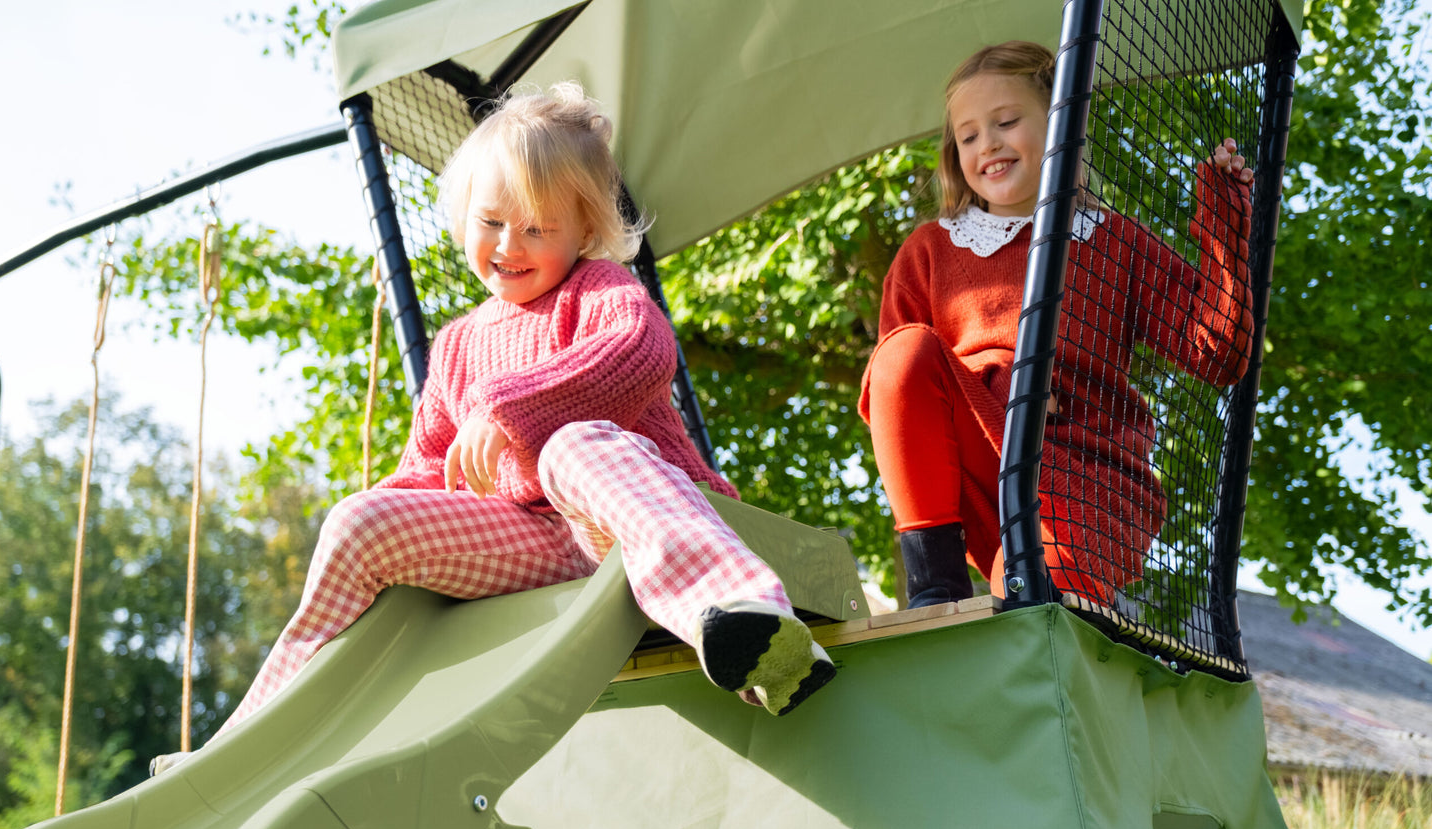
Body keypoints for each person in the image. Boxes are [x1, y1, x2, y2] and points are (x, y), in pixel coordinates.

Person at [153, 83, 835, 774]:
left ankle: (746, 618)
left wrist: (510, 409)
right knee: (357, 524)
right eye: (491, 222)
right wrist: (394, 509)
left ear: (585, 231)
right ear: (462, 218)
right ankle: (242, 756)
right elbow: (427, 467)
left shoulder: (596, 291)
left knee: (570, 446)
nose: (509, 246)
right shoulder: (455, 347)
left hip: (633, 517)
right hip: (535, 546)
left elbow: (644, 353)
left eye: (537, 229)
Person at [859, 41, 1256, 608]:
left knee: (1030, 604)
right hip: (982, 473)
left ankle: (1081, 606)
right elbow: (897, 395)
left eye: (1006, 121)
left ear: (1061, 121)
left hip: (1084, 479)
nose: (987, 144)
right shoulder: (928, 251)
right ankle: (935, 585)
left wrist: (1225, 228)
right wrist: (1000, 390)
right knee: (901, 353)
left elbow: (1217, 353)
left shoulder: (1113, 239)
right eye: (968, 135)